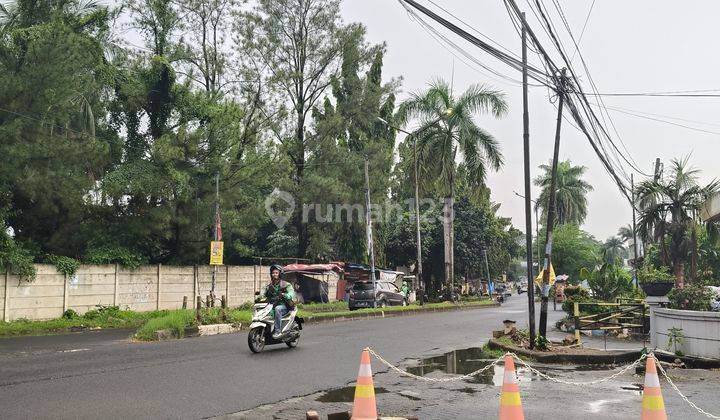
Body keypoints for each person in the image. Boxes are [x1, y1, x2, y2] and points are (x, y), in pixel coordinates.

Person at [263, 264, 296, 339]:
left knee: (278, 309)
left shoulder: (286, 284)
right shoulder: (270, 285)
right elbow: (263, 292)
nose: (274, 274)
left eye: (276, 273)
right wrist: (259, 296)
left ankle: (277, 331)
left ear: (280, 274)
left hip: (285, 306)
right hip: (272, 305)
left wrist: (287, 295)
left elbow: (291, 293)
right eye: (273, 273)